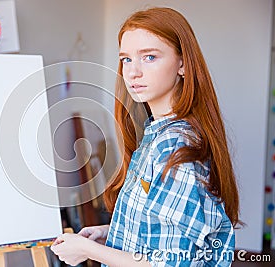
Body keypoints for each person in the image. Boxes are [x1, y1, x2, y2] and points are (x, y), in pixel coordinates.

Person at [50, 7, 241, 267]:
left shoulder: (176, 145)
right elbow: (161, 227)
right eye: (126, 59)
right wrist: (110, 232)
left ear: (182, 64)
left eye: (149, 57)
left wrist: (87, 250)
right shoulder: (156, 135)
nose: (132, 72)